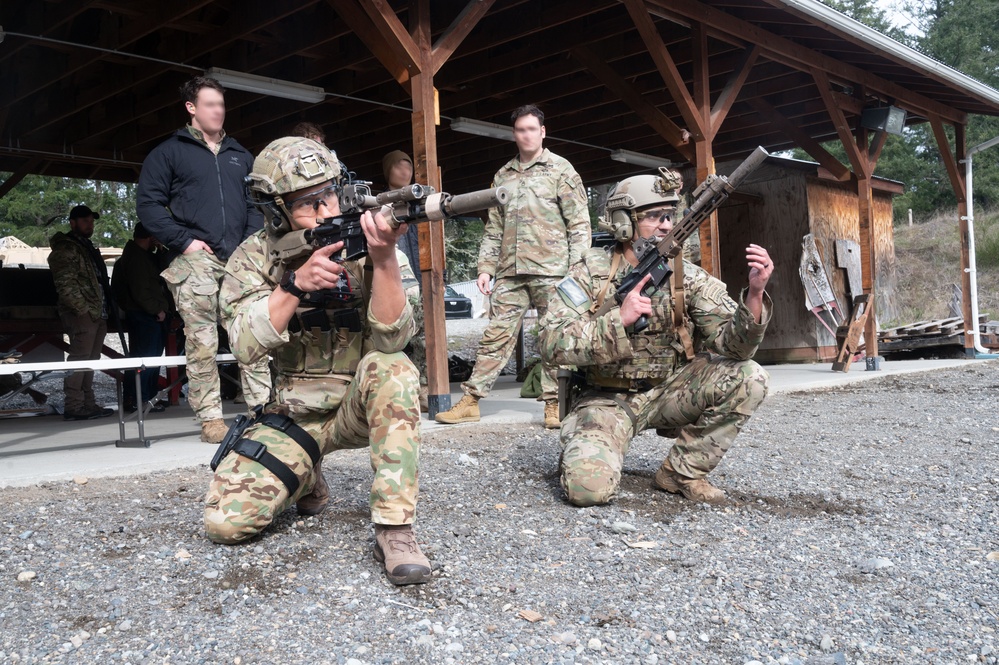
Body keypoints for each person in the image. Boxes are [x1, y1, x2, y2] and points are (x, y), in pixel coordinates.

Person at [205, 136, 432, 586]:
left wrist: (384, 257)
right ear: (276, 211)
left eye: (332, 193)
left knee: (395, 368)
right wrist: (293, 286)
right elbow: (244, 345)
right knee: (226, 524)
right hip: (293, 417)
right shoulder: (254, 257)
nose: (328, 210)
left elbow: (395, 336)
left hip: (359, 406)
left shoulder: (369, 239)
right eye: (310, 203)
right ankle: (306, 477)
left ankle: (395, 527)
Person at [539, 169, 774, 506]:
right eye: (653, 216)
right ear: (624, 221)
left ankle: (681, 473)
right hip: (606, 400)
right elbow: (549, 342)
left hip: (669, 391)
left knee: (749, 376)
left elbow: (735, 347)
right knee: (586, 490)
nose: (666, 224)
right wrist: (618, 322)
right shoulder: (589, 272)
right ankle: (589, 448)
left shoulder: (687, 276)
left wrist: (754, 294)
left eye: (669, 215)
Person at [434, 104, 590, 429]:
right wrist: (485, 268)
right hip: (510, 272)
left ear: (542, 132)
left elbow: (579, 224)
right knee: (495, 335)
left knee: (553, 337)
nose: (527, 135)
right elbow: (493, 227)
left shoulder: (562, 170)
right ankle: (472, 401)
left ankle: (553, 405)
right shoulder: (503, 176)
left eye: (532, 129)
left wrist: (579, 269)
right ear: (514, 134)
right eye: (521, 130)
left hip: (553, 271)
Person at [136, 75, 271, 443]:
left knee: (253, 336)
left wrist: (248, 245)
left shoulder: (241, 156)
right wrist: (184, 241)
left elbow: (257, 205)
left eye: (222, 105)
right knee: (203, 342)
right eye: (210, 104)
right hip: (196, 262)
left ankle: (262, 409)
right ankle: (211, 418)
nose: (218, 111)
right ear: (191, 108)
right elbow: (148, 205)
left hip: (240, 261)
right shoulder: (169, 152)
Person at [48, 204, 115, 420]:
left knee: (91, 359)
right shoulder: (66, 248)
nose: (90, 224)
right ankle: (73, 406)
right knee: (80, 359)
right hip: (84, 314)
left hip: (97, 312)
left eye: (91, 220)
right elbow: (65, 283)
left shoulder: (84, 246)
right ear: (73, 223)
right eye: (85, 220)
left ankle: (88, 403)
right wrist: (82, 310)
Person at [382, 149, 429, 412]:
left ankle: (424, 389)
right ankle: (399, 390)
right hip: (393, 283)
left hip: (421, 286)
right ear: (388, 170)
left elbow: (433, 245)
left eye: (408, 167)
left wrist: (438, 279)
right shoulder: (379, 206)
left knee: (423, 340)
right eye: (398, 167)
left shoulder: (421, 207)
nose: (405, 172)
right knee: (395, 339)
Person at [111, 223, 170, 412]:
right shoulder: (136, 258)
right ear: (150, 236)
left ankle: (145, 397)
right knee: (146, 359)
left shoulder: (142, 256)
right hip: (145, 315)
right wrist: (156, 310)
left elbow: (165, 270)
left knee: (146, 359)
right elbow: (141, 290)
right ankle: (140, 398)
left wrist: (160, 250)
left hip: (143, 313)